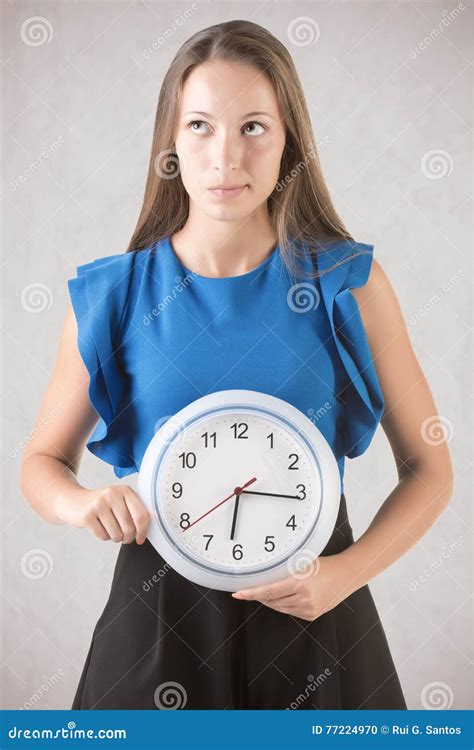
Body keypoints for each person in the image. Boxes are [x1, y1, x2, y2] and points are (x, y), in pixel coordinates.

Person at [21, 20, 453, 710]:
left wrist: (343, 577)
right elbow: (41, 462)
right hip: (156, 620)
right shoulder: (112, 296)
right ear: (171, 141)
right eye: (200, 126)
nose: (226, 157)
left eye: (253, 127)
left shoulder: (350, 283)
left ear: (289, 142)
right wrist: (84, 504)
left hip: (318, 617)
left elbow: (431, 469)